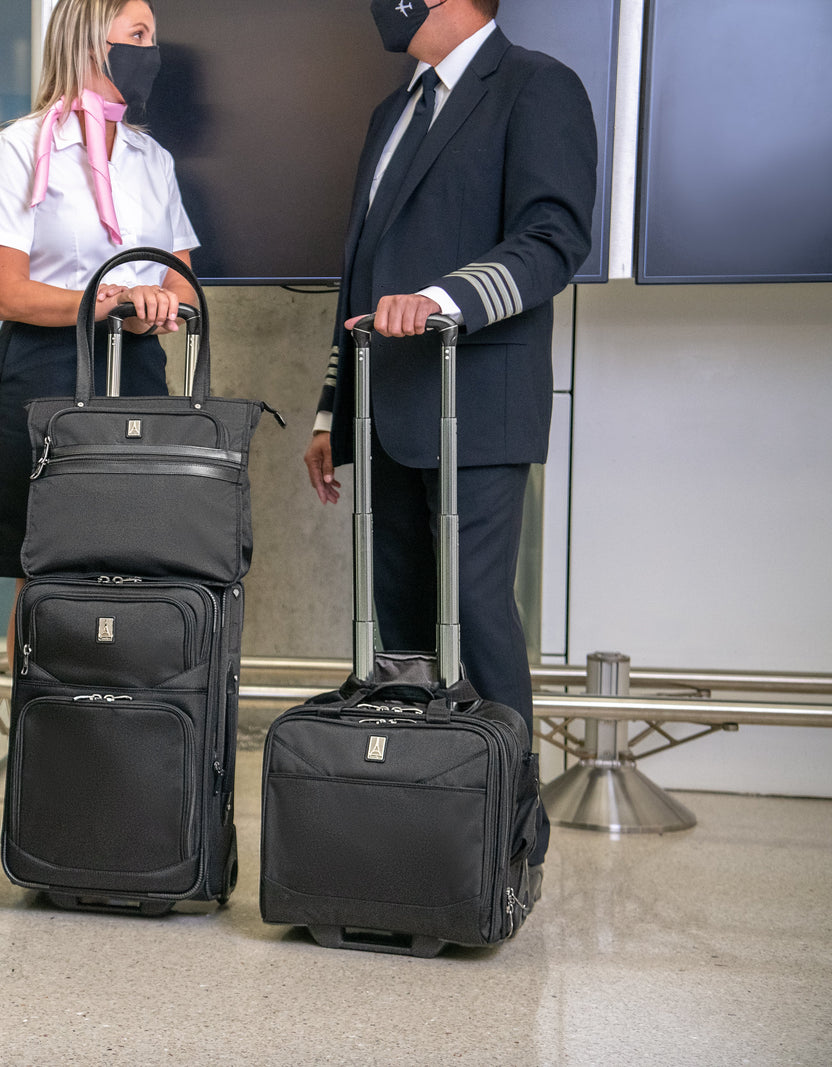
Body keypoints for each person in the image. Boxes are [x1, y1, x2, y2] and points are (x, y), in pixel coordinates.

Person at [301, 0, 596, 867]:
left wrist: (441, 301)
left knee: (473, 614)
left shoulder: (537, 88)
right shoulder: (392, 112)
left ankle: (510, 835)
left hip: (478, 406)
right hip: (383, 410)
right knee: (401, 631)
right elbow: (358, 269)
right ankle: (423, 822)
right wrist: (329, 410)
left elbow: (553, 238)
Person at [0, 0, 198, 659]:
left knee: (140, 558)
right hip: (45, 368)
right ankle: (36, 741)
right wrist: (107, 298)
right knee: (43, 567)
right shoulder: (18, 148)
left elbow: (182, 278)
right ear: (90, 42)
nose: (151, 49)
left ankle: (119, 726)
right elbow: (5, 292)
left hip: (141, 368)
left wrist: (159, 300)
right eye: (138, 35)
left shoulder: (152, 158)